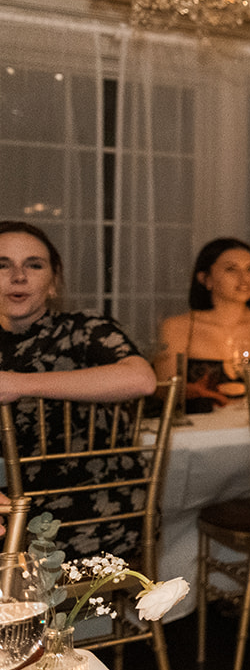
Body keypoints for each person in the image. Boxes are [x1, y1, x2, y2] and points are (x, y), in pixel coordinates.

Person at [0, 220, 158, 556]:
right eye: (2, 265)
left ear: (54, 282)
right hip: (9, 510)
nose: (18, 276)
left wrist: (17, 383)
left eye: (34, 264)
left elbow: (140, 379)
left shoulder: (83, 330)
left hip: (95, 508)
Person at [155, 238, 250, 409]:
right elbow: (164, 392)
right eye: (231, 269)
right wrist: (189, 392)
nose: (244, 278)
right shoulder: (177, 327)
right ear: (206, 279)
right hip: (198, 430)